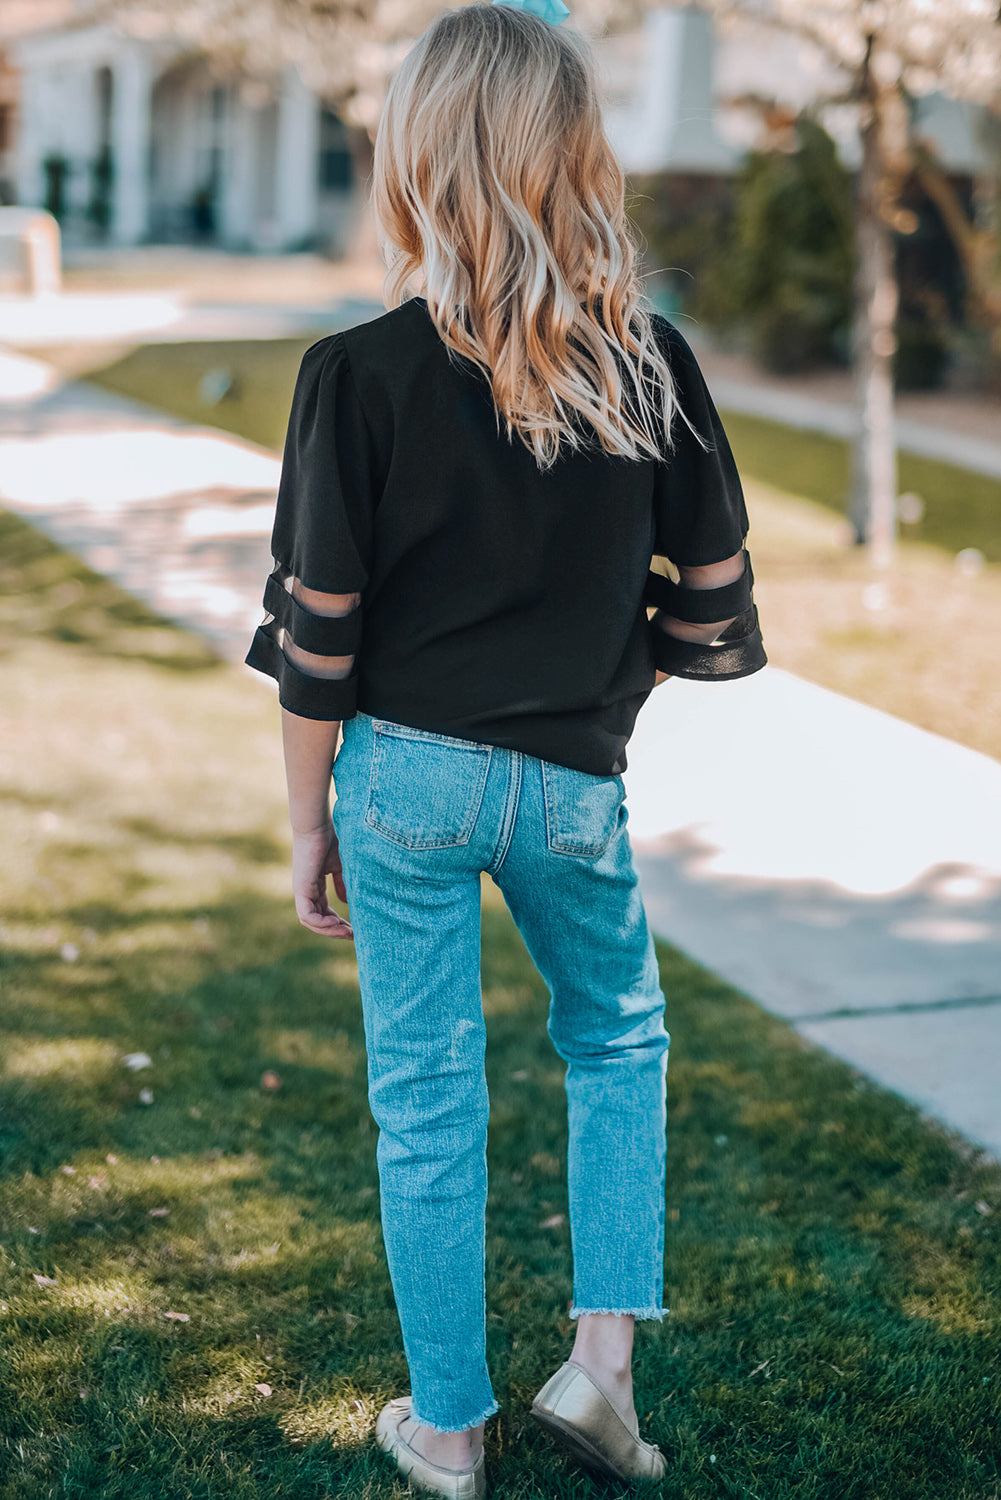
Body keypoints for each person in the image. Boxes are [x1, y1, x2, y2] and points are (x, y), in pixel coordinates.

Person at [245, 2, 766, 1494]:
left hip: (399, 778)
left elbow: (317, 640)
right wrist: (595, 701)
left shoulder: (356, 374)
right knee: (615, 1040)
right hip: (571, 787)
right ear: (574, 155)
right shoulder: (646, 365)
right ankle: (599, 1369)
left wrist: (307, 820)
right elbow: (711, 602)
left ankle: (452, 1428)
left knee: (424, 1099)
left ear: (415, 155)